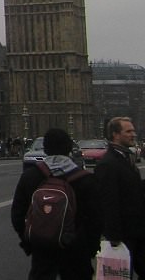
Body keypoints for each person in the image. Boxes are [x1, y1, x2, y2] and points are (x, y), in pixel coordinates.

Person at [10, 127, 102, 280]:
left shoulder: (30, 177)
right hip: (76, 251)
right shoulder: (85, 180)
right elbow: (96, 220)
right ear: (69, 149)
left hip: (42, 249)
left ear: (45, 149)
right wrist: (89, 250)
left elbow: (17, 215)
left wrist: (30, 243)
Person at [95, 116, 145, 278]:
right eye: (129, 131)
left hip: (137, 232)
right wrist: (114, 238)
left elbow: (130, 190)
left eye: (133, 130)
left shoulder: (125, 157)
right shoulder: (107, 164)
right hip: (124, 236)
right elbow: (108, 203)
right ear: (116, 135)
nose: (133, 134)